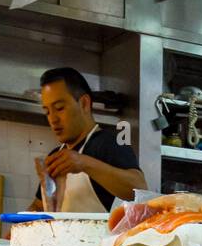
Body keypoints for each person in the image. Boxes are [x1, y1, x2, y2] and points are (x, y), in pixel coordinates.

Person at [31, 67, 147, 212]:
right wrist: (14, 230)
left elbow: (140, 191)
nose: (52, 119)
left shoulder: (109, 143)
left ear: (84, 103)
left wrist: (84, 163)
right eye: (47, 111)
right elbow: (39, 206)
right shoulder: (56, 155)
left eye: (60, 108)